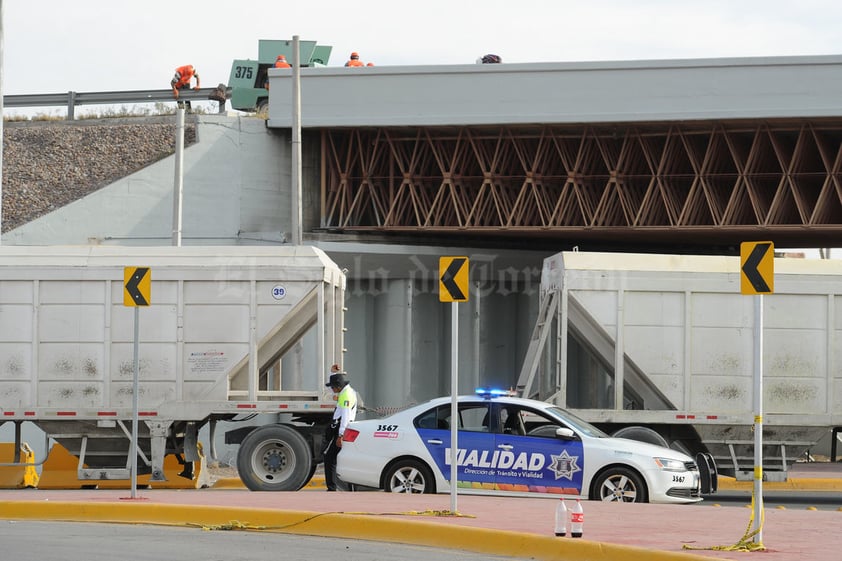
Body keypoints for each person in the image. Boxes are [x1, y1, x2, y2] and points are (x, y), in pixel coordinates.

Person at [322, 364, 357, 491]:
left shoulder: (346, 395)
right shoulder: (346, 391)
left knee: (330, 457)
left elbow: (346, 416)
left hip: (341, 428)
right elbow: (336, 381)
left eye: (332, 387)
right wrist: (332, 373)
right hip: (340, 427)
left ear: (338, 387)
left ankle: (332, 487)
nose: (331, 390)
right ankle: (338, 487)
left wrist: (341, 435)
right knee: (335, 457)